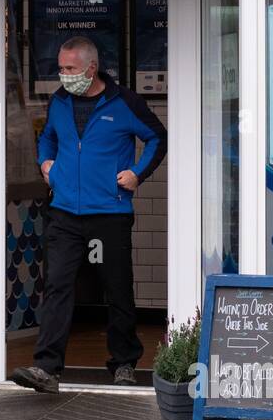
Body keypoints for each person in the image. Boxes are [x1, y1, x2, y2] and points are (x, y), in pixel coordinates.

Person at [9, 36, 166, 393]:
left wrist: (138, 173)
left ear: (91, 68)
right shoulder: (60, 102)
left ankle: (124, 362)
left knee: (117, 289)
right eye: (61, 69)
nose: (64, 75)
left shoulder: (124, 102)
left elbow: (158, 136)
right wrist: (45, 162)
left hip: (109, 212)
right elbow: (47, 137)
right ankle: (46, 368)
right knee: (58, 287)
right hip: (64, 211)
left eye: (70, 69)